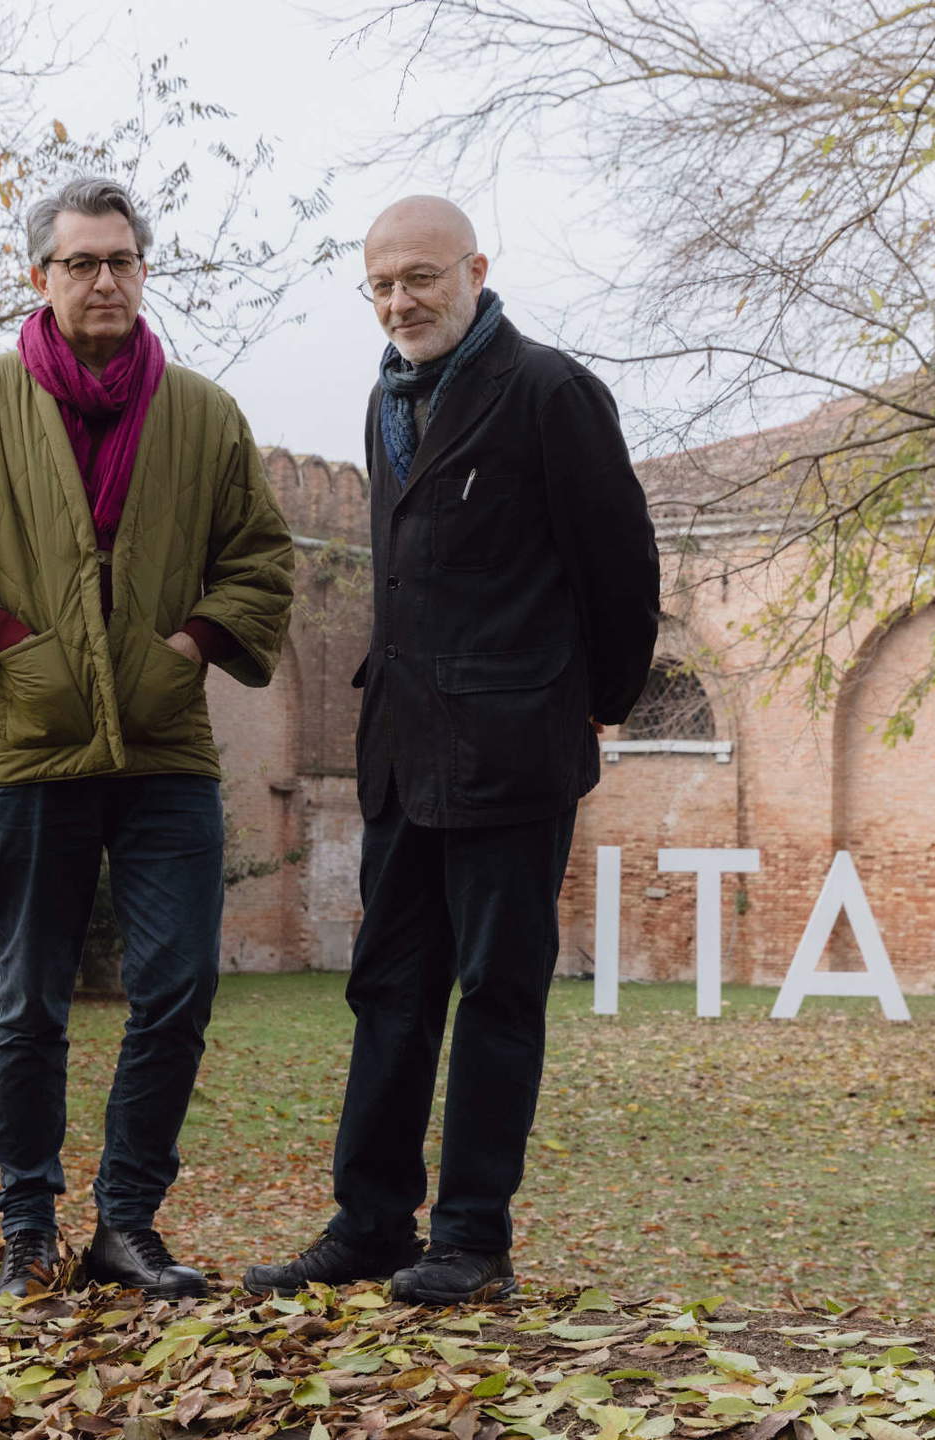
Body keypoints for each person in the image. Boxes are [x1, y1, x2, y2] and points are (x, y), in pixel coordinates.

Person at [0, 176, 293, 1299]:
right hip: (29, 754)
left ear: (143, 271)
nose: (103, 280)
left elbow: (260, 557)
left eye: (121, 260)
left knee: (178, 990)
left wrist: (193, 646)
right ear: (40, 278)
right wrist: (15, 645)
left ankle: (127, 1224)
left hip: (167, 754)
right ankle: (25, 1227)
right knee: (31, 1005)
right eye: (79, 263)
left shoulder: (204, 412)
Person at [244, 196, 659, 1304]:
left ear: (475, 268)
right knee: (388, 992)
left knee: (498, 993)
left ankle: (472, 1239)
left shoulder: (549, 392)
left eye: (420, 278)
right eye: (380, 286)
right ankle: (371, 1223)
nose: (399, 302)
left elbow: (621, 569)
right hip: (404, 754)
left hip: (515, 751)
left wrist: (593, 705)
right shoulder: (386, 400)